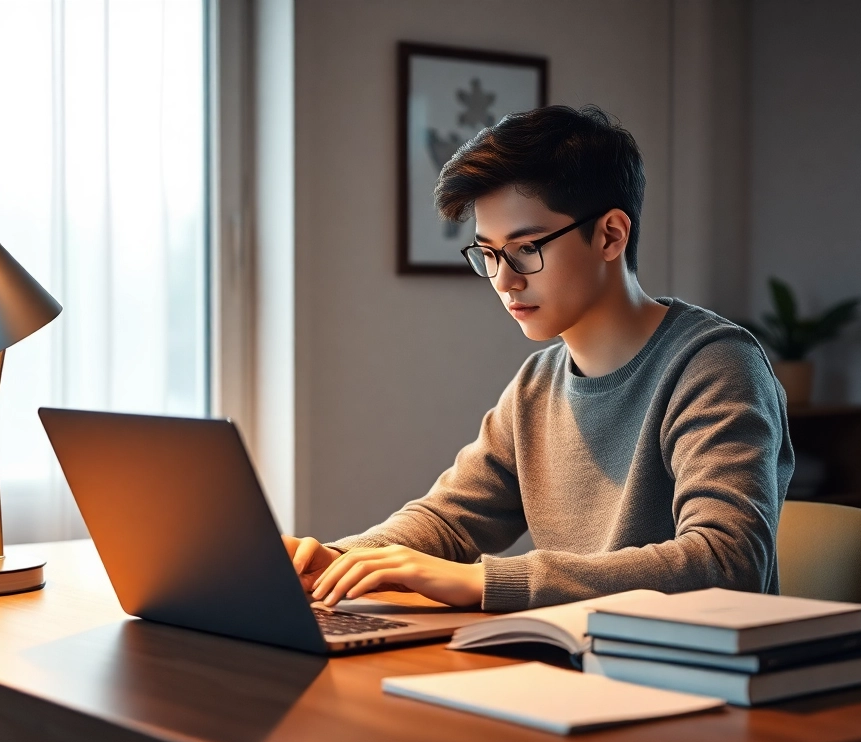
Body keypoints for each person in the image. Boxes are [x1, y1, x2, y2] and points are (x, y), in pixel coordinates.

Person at [285, 105, 793, 612]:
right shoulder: (537, 384)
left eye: (526, 248)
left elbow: (728, 562)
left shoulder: (715, 365)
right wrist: (335, 560)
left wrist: (487, 581)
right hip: (569, 668)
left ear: (611, 235)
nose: (504, 280)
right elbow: (449, 519)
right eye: (487, 253)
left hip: (688, 675)